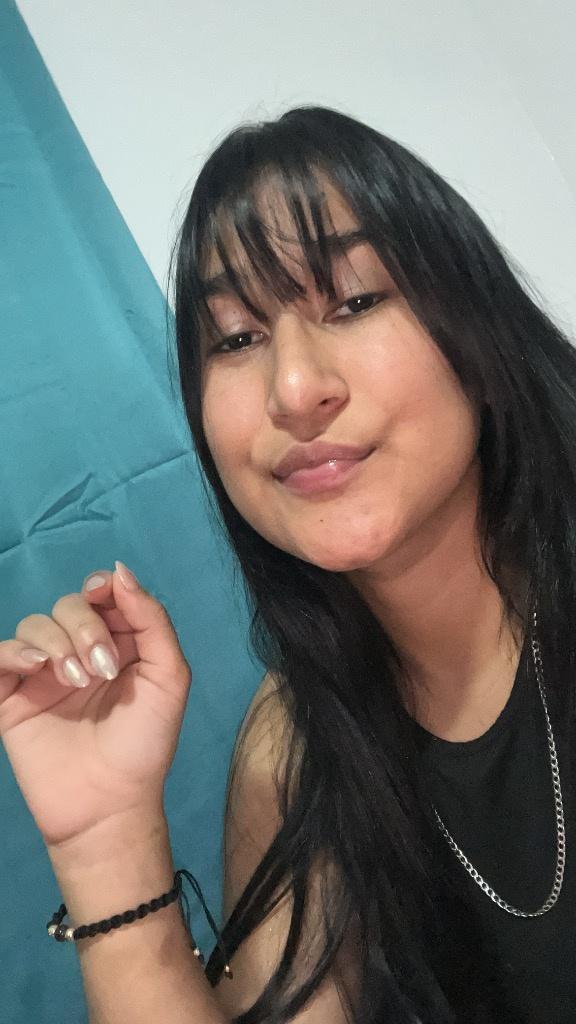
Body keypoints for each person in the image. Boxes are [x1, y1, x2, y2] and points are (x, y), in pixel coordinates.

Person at [1, 105, 576, 1024]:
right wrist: (107, 847)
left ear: (477, 329)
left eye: (354, 301)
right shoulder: (294, 752)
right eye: (236, 338)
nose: (295, 390)